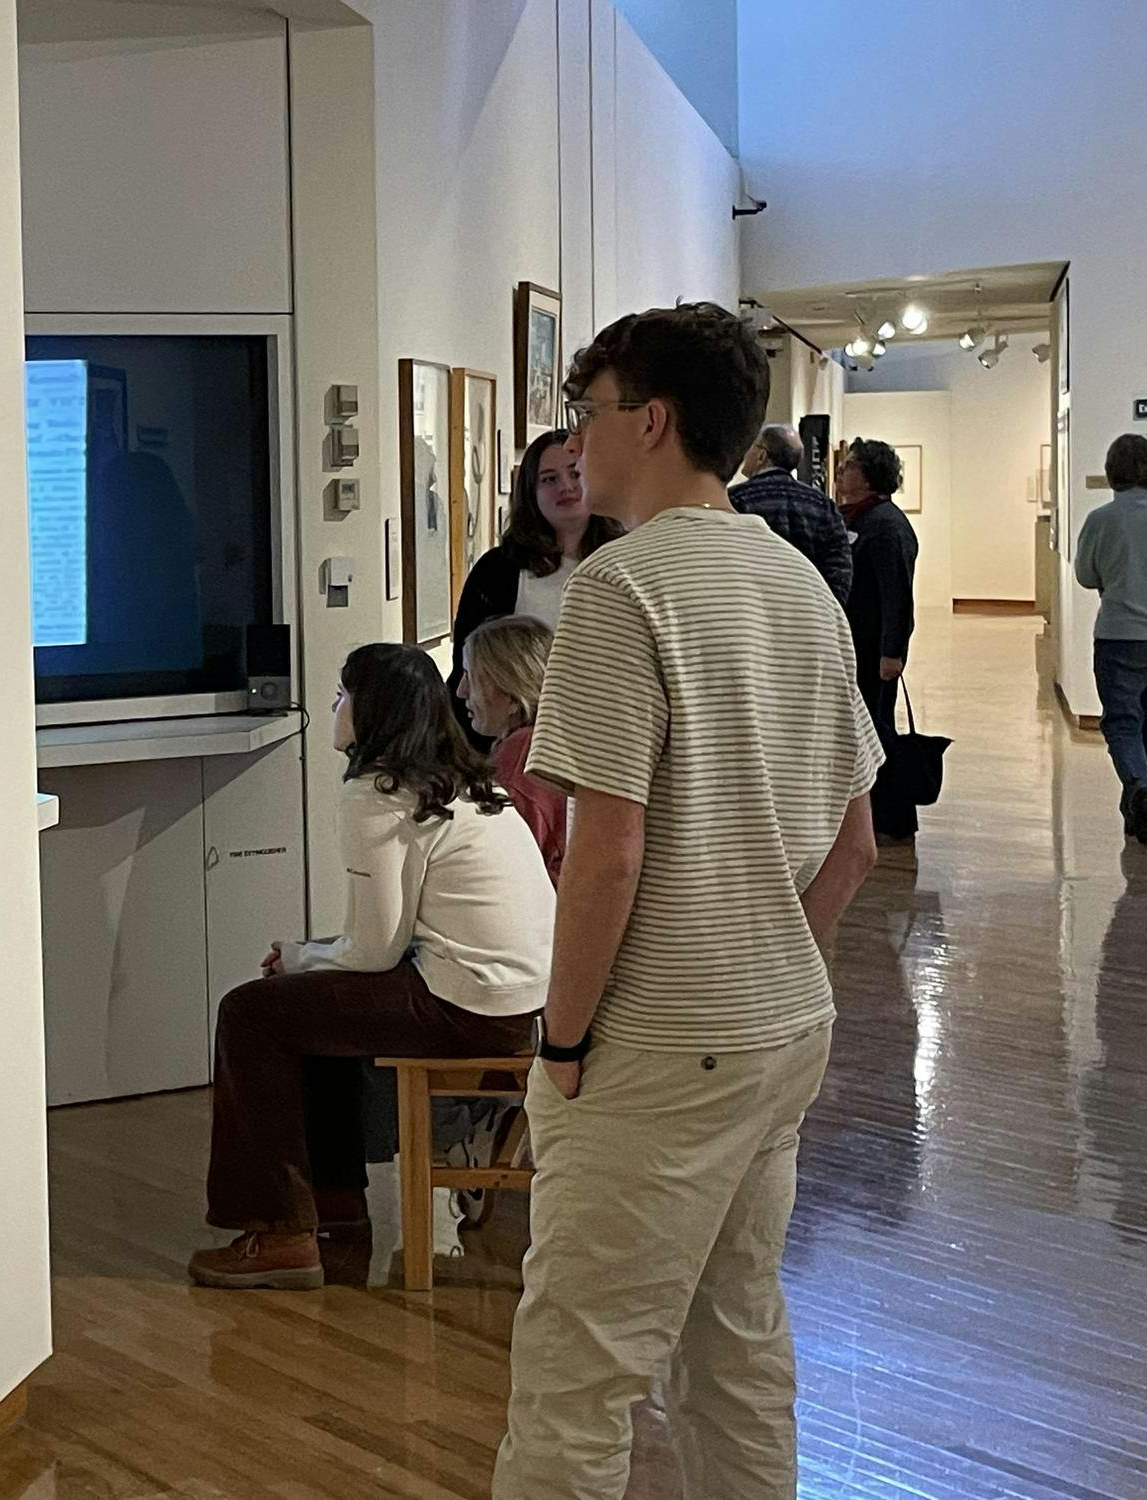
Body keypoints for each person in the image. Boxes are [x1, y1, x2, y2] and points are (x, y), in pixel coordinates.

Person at [490, 303, 882, 1499]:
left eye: (588, 413)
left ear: (647, 421)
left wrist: (560, 1040)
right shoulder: (797, 584)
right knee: (734, 1347)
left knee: (575, 1381)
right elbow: (854, 845)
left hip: (660, 1046)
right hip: (778, 1031)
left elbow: (605, 855)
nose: (577, 441)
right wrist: (770, 958)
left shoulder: (620, 588)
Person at [189, 643, 556, 1291]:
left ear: (375, 709)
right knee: (309, 1005)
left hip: (467, 1006)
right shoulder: (463, 780)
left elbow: (374, 951)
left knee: (249, 1013)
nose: (333, 705)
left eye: (342, 692)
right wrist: (310, 963)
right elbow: (382, 945)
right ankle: (332, 1203)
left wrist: (302, 957)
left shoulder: (378, 795)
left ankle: (281, 1231)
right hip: (517, 1000)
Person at [448, 430, 621, 745]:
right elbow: (469, 673)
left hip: (607, 737)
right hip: (519, 748)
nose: (566, 487)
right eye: (549, 479)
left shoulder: (626, 563)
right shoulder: (497, 570)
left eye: (575, 473)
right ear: (531, 492)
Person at [1075, 433, 1147, 842]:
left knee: (1123, 721)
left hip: (1119, 634)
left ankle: (1140, 786)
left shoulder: (1100, 520)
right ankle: (1144, 797)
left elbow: (1087, 576)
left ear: (1111, 473)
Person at [839, 437, 922, 840]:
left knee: (878, 732)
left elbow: (897, 595)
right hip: (855, 647)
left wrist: (893, 653)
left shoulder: (886, 525)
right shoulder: (857, 518)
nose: (841, 471)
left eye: (851, 465)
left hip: (873, 651)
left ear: (870, 474)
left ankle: (894, 816)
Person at [458, 616, 565, 883]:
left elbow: (505, 871)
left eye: (471, 677)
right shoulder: (556, 737)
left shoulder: (520, 760)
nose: (461, 691)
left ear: (513, 694)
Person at [731, 422, 853, 603]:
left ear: (762, 455)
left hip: (752, 609)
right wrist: (830, 606)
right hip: (811, 609)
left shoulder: (736, 499)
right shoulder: (822, 504)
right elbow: (839, 564)